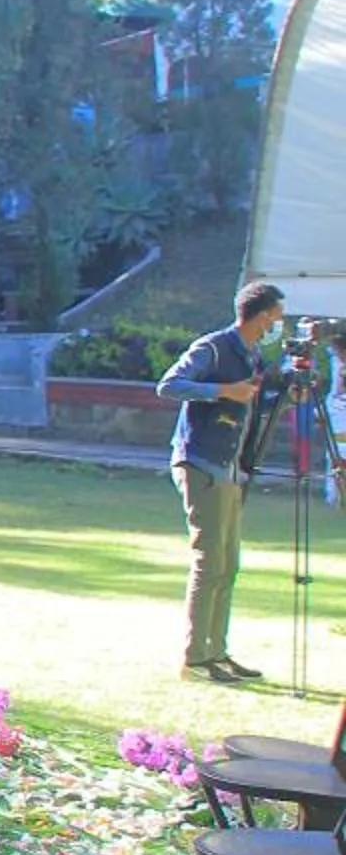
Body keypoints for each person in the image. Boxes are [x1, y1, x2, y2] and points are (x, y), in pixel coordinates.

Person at [156, 277, 285, 682]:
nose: (277, 324)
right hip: (201, 462)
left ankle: (217, 652)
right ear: (261, 315)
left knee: (228, 564)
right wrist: (223, 390)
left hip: (229, 468)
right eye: (276, 317)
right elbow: (169, 385)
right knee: (209, 560)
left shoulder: (253, 355)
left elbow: (257, 398)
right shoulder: (214, 347)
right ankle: (195, 659)